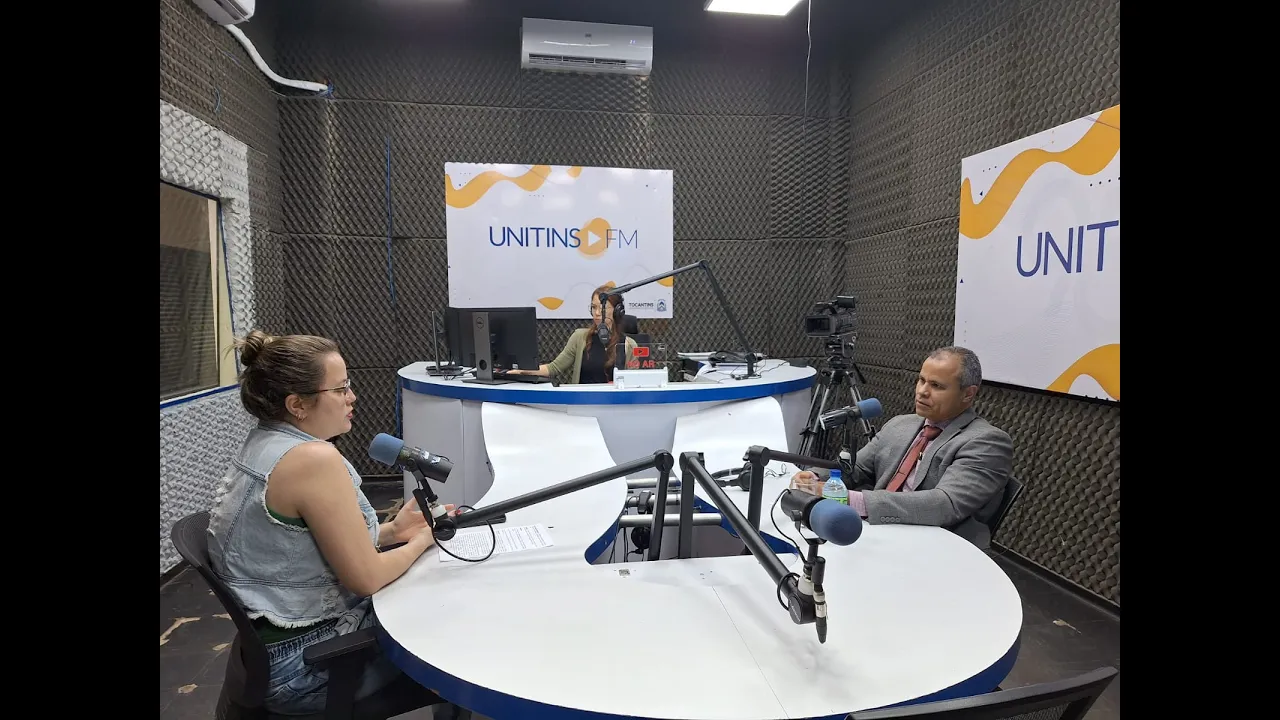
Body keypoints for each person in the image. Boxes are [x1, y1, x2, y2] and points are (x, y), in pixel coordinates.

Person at [206, 331, 450, 715]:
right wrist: (424, 540)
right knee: (458, 633)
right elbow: (366, 579)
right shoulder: (313, 460)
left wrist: (392, 532)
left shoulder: (265, 442)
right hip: (308, 666)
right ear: (297, 404)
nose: (352, 397)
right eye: (340, 389)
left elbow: (294, 546)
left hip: (270, 657)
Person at [792, 346, 1013, 549]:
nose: (922, 391)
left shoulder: (988, 442)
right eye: (921, 380)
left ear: (968, 394)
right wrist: (814, 477)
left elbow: (944, 505)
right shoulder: (899, 424)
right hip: (881, 531)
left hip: (939, 546)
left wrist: (850, 500)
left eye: (936, 386)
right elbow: (856, 468)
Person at [508, 284, 638, 384]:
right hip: (581, 404)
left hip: (614, 405)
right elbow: (553, 368)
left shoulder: (629, 345)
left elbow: (635, 383)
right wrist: (522, 370)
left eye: (602, 307)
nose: (597, 313)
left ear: (617, 311)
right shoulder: (580, 337)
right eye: (594, 307)